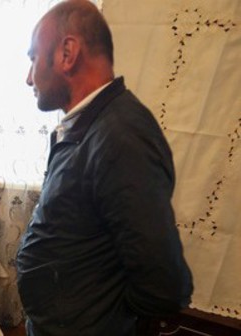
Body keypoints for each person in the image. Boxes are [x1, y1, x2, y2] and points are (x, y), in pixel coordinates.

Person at [16, 1, 193, 335]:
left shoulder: (121, 135)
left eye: (33, 58)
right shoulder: (92, 125)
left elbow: (164, 284)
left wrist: (98, 319)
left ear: (67, 53)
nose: (28, 78)